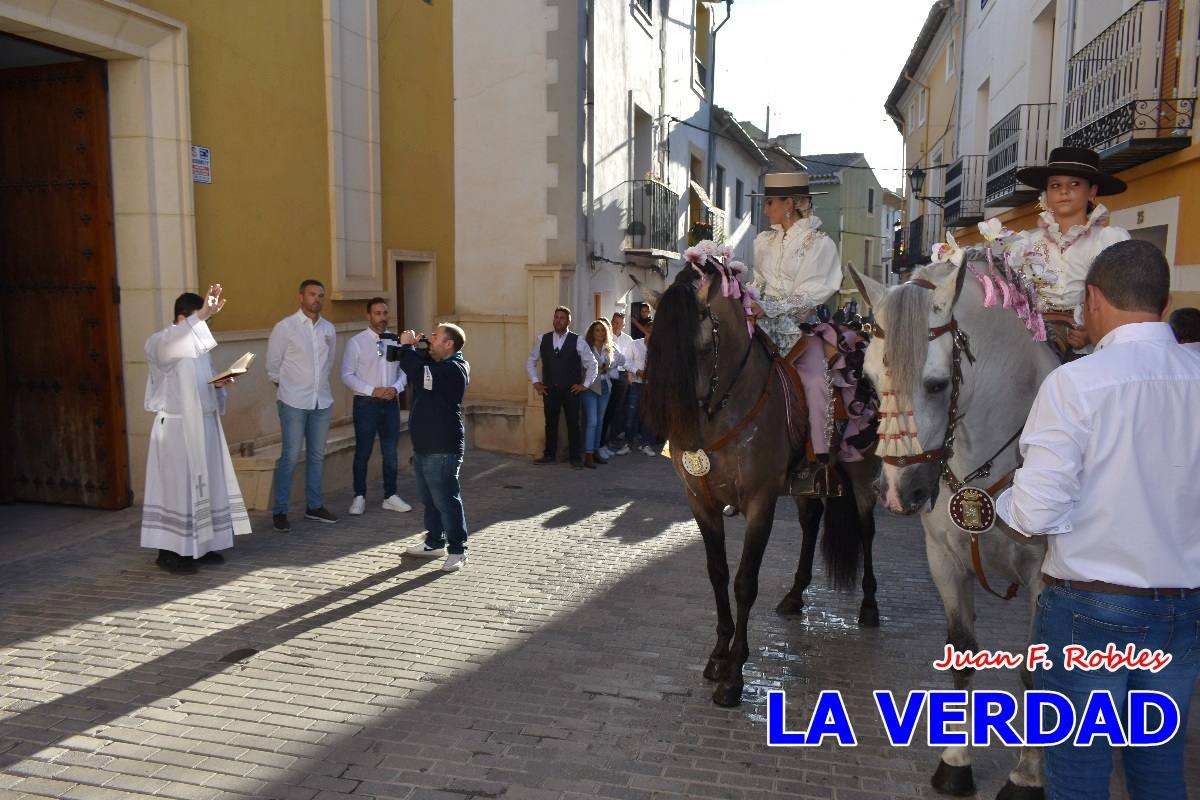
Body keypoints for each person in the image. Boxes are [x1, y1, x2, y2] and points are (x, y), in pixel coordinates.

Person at [995, 240, 1200, 800]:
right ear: (1163, 300)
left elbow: (1035, 512)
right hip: (1183, 605)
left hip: (1091, 608)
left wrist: (1001, 502)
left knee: (1077, 773)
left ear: (1092, 299)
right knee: (1159, 767)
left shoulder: (1076, 382)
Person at [141, 286, 251, 574]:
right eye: (199, 320)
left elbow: (200, 381)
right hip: (176, 429)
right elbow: (168, 347)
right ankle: (170, 553)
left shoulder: (198, 347)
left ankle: (200, 547)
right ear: (181, 318)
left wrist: (218, 384)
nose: (203, 326)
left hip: (203, 425)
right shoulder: (160, 342)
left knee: (205, 486)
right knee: (176, 491)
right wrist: (202, 314)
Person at [749, 171, 843, 461]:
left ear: (789, 203)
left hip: (800, 328)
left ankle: (818, 455)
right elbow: (757, 282)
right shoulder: (762, 241)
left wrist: (773, 307)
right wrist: (746, 298)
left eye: (769, 203)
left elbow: (815, 289)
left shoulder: (820, 243)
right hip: (760, 323)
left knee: (815, 381)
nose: (765, 210)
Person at [1014, 146, 1130, 355]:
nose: (1063, 191)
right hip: (1033, 345)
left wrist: (1092, 334)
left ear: (1092, 191)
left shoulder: (1108, 240)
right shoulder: (1027, 242)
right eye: (1055, 185)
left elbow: (1120, 299)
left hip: (1086, 349)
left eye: (1074, 184)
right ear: (1046, 194)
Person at [267, 279, 338, 532]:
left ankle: (314, 506)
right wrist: (289, 390)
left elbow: (328, 362)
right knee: (290, 455)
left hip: (321, 401)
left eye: (320, 295)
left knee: (317, 456)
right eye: (312, 294)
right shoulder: (285, 327)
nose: (317, 299)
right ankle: (280, 510)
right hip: (293, 402)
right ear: (301, 297)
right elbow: (273, 367)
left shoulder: (329, 329)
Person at [399, 324, 471, 572]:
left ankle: (458, 550)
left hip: (443, 447)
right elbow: (416, 365)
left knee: (446, 499)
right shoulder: (438, 363)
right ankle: (434, 542)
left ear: (449, 344)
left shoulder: (454, 369)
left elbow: (418, 373)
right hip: (424, 446)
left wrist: (408, 347)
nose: (430, 339)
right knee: (430, 499)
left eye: (435, 336)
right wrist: (416, 347)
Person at [340, 297, 412, 516]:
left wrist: (396, 388)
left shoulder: (396, 340)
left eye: (385, 313)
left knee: (390, 452)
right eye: (378, 313)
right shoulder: (357, 342)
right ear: (368, 316)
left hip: (390, 404)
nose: (382, 318)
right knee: (363, 451)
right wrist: (373, 390)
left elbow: (405, 370)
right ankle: (359, 496)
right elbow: (346, 375)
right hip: (366, 404)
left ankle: (390, 496)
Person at [526, 305, 598, 469]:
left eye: (562, 318)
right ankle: (549, 454)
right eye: (556, 317)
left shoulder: (578, 340)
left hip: (571, 389)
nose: (558, 320)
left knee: (574, 423)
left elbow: (592, 363)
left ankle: (575, 458)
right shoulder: (542, 339)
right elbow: (531, 361)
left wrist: (585, 385)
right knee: (550, 423)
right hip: (549, 388)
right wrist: (536, 382)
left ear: (568, 321)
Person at [580, 318, 622, 468]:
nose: (600, 333)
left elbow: (622, 360)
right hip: (590, 387)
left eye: (603, 330)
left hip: (605, 386)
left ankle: (596, 451)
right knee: (591, 421)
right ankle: (588, 454)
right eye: (597, 330)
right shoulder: (585, 346)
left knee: (599, 421)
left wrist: (609, 365)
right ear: (592, 332)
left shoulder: (609, 347)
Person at [600, 310, 634, 456]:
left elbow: (629, 360)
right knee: (605, 407)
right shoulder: (606, 337)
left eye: (619, 323)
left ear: (624, 324)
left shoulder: (628, 340)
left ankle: (612, 437)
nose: (616, 325)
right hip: (608, 375)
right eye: (614, 322)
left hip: (622, 375)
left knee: (618, 408)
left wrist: (630, 375)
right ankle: (602, 440)